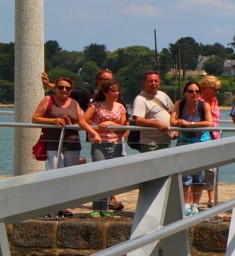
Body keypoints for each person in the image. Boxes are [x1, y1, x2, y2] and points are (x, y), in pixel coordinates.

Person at [79, 78, 127, 218]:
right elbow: (82, 121)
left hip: (116, 144)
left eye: (117, 90)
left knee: (110, 176)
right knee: (100, 173)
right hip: (99, 144)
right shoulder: (95, 106)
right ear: (105, 92)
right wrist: (94, 133)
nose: (116, 93)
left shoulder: (121, 107)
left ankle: (105, 209)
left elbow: (123, 128)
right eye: (113, 91)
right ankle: (96, 208)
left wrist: (111, 123)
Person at [172, 81, 213, 215]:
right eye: (190, 91)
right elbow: (172, 121)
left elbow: (209, 123)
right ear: (185, 93)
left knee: (199, 176)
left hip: (201, 141)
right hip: (184, 140)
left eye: (196, 91)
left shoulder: (204, 105)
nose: (194, 93)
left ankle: (195, 204)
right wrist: (181, 123)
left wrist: (190, 124)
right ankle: (186, 204)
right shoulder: (180, 104)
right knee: (185, 175)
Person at [32, 75, 84, 172]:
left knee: (71, 173)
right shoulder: (48, 99)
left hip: (73, 143)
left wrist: (70, 125)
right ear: (55, 88)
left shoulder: (74, 103)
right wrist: (52, 121)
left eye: (68, 88)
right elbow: (35, 118)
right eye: (61, 87)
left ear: (71, 90)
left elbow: (81, 124)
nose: (64, 90)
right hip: (53, 143)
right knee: (56, 172)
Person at [131, 71, 174, 152]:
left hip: (166, 141)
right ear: (144, 83)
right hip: (151, 144)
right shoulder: (140, 99)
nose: (154, 83)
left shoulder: (163, 95)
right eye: (150, 81)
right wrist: (157, 123)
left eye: (156, 81)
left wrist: (175, 131)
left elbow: (173, 112)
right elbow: (139, 121)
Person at [199, 75, 223, 207]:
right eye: (215, 89)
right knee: (198, 169)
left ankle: (211, 197)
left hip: (215, 138)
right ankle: (193, 198)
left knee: (212, 169)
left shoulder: (214, 101)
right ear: (206, 88)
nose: (217, 92)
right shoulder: (199, 101)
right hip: (202, 137)